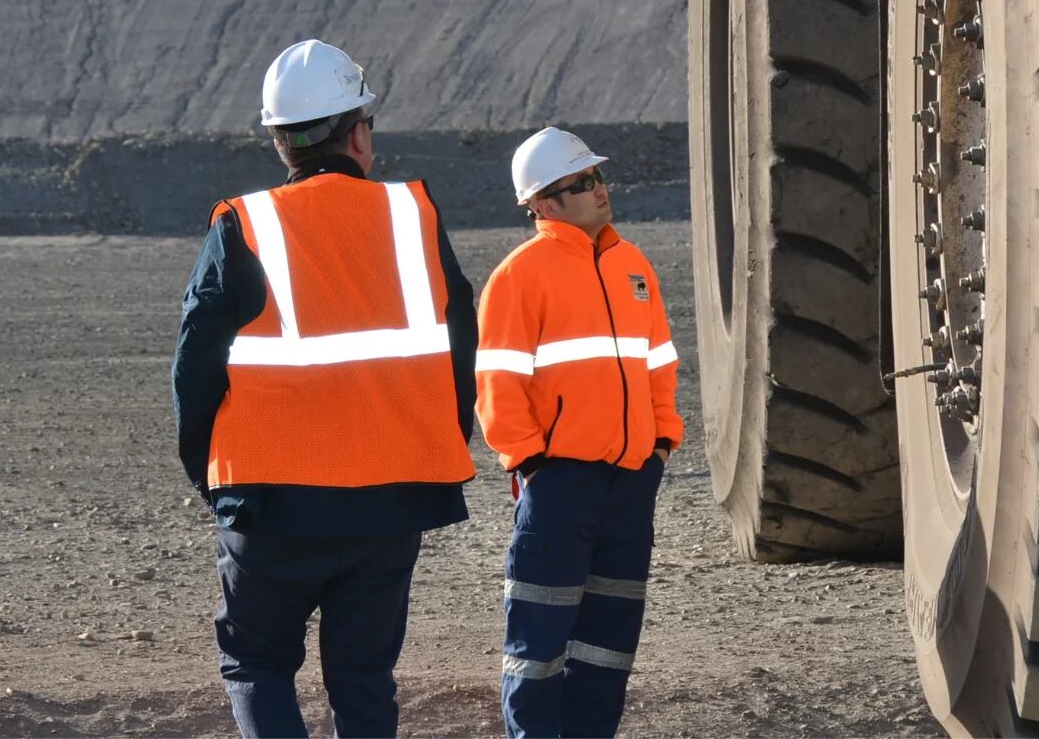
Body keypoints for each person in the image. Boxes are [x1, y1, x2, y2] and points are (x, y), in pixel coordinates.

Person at [170, 39, 478, 739]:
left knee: (256, 663)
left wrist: (211, 478)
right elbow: (461, 342)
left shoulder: (242, 224)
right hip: (395, 498)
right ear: (359, 133)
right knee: (364, 679)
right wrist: (435, 445)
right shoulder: (414, 218)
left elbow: (195, 364)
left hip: (271, 502)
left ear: (281, 143)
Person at [474, 126, 685, 738]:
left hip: (629, 484)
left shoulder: (633, 265)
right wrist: (532, 463)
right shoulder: (520, 275)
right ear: (542, 203)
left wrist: (660, 444)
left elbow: (659, 363)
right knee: (538, 646)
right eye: (582, 182)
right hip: (559, 488)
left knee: (608, 647)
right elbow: (497, 382)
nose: (600, 189)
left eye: (597, 177)